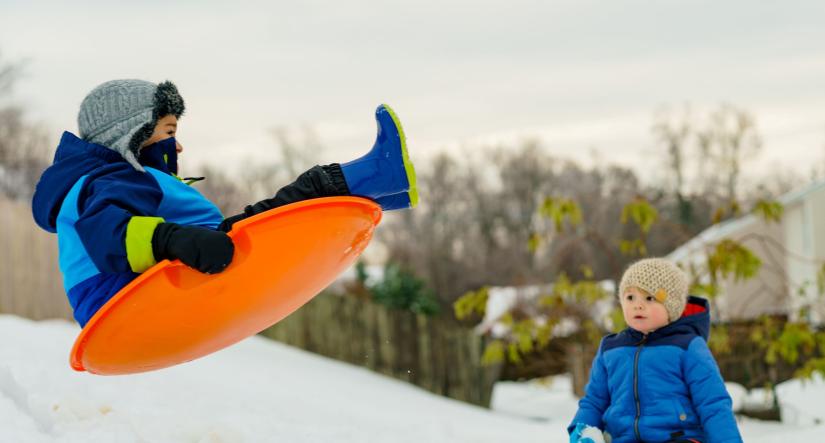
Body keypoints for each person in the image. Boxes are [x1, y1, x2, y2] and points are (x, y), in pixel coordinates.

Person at [31, 79, 417, 327]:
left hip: (133, 294)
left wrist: (177, 239)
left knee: (262, 220)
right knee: (275, 215)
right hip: (122, 300)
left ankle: (381, 187)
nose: (177, 145)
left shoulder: (110, 179)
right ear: (132, 134)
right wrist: (171, 240)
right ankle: (375, 176)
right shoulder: (112, 180)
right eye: (168, 132)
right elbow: (106, 233)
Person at [568, 258, 742, 443]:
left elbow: (712, 403)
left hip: (679, 438)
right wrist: (583, 429)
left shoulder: (687, 346)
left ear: (671, 307)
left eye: (650, 298)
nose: (638, 305)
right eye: (630, 297)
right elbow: (595, 401)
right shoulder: (611, 348)